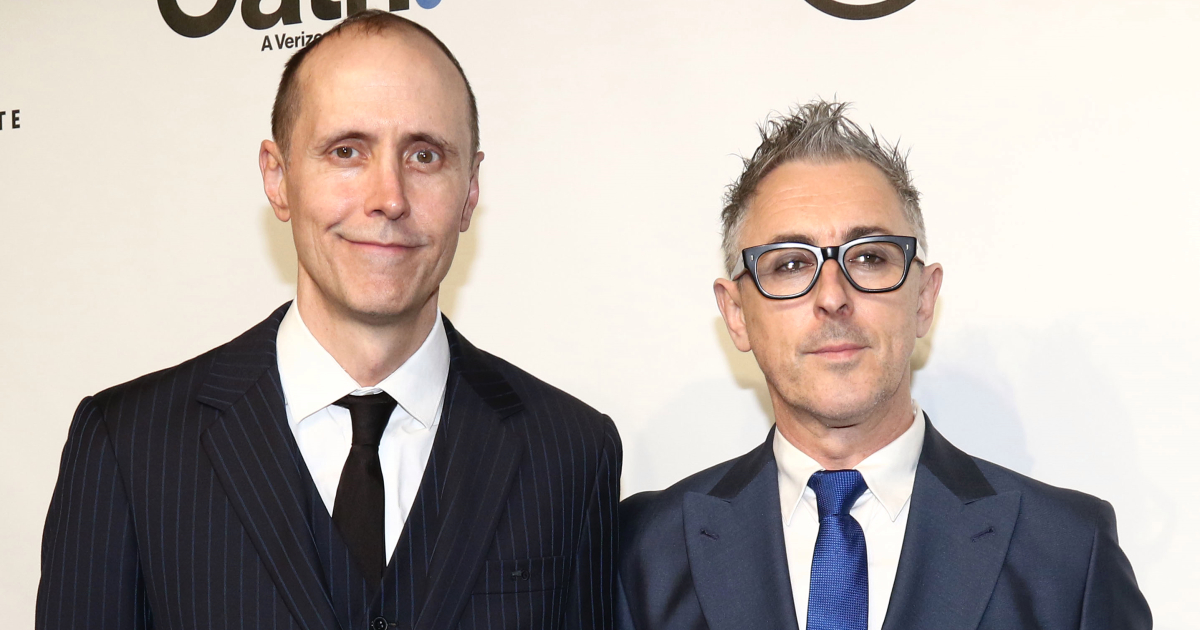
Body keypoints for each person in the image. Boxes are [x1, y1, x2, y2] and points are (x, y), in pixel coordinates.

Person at [37, 11, 620, 630]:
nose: (389, 197)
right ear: (279, 177)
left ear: (469, 191)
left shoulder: (570, 454)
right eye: (347, 151)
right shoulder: (130, 447)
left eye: (424, 155)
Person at [616, 100, 1150, 630]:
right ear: (736, 313)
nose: (832, 297)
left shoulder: (1068, 555)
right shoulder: (646, 552)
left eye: (869, 256)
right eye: (790, 263)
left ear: (923, 298)